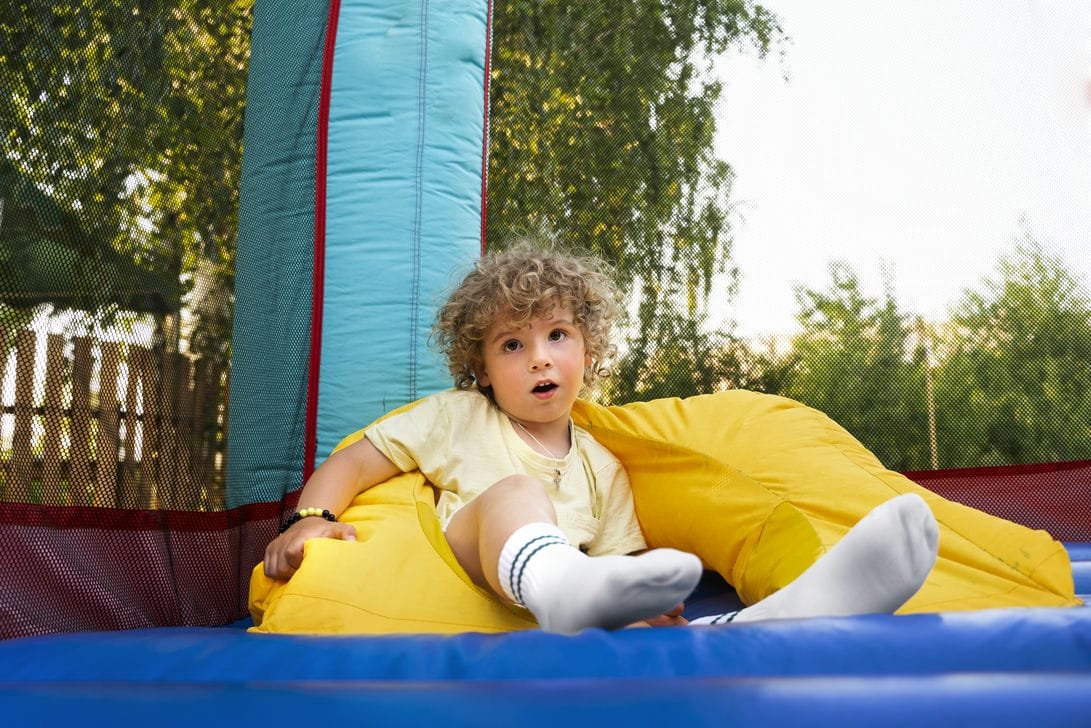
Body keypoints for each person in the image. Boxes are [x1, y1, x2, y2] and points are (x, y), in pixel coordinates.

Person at [263, 243, 940, 634]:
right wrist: (310, 519)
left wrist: (649, 610)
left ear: (587, 348)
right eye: (511, 344)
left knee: (656, 620)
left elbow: (625, 568)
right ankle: (560, 582)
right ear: (480, 367)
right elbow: (355, 460)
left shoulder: (601, 465)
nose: (538, 358)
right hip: (465, 566)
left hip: (555, 605)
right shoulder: (458, 418)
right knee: (516, 491)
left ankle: (781, 621)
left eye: (557, 335)